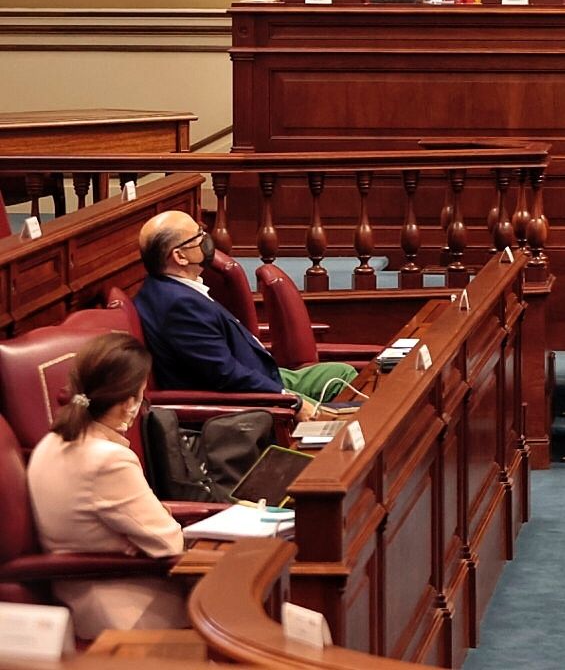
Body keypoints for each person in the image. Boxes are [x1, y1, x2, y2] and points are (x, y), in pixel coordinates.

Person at [25, 334, 187, 640]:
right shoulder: (110, 459)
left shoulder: (50, 441)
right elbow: (168, 544)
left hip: (77, 595)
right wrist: (157, 522)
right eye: (141, 395)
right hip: (127, 605)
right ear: (128, 403)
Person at [133, 210, 354, 412]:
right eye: (199, 236)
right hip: (252, 398)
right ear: (180, 256)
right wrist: (289, 400)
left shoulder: (169, 288)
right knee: (337, 418)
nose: (206, 240)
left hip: (263, 374)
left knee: (343, 374)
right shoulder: (178, 306)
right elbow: (225, 375)